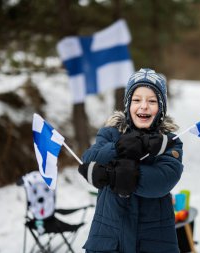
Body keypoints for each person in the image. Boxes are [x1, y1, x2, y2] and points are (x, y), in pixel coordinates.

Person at [78, 68, 184, 253]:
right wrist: (118, 147)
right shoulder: (111, 132)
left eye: (152, 101)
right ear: (127, 104)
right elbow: (90, 159)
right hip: (109, 240)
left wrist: (112, 175)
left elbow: (163, 179)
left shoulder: (168, 141)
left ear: (161, 108)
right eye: (136, 100)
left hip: (154, 242)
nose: (143, 106)